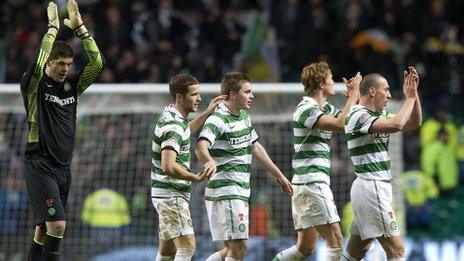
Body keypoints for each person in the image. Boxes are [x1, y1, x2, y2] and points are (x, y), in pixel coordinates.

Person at [20, 1, 104, 260]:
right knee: (58, 225)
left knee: (44, 232)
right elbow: (35, 66)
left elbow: (97, 63)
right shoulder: (34, 87)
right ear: (48, 63)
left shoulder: (72, 87)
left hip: (63, 168)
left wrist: (80, 28)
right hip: (40, 163)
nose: (65, 69)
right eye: (60, 64)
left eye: (68, 64)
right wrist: (53, 29)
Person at [195, 72, 293, 261]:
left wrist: (278, 175)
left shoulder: (243, 117)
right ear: (232, 95)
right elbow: (200, 145)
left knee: (232, 248)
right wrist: (208, 160)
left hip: (239, 191)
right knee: (239, 246)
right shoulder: (218, 119)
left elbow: (255, 146)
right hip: (226, 190)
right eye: (247, 92)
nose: (252, 96)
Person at [273, 61, 361, 261]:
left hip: (307, 184)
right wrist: (353, 95)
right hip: (312, 182)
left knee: (304, 248)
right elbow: (341, 125)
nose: (334, 82)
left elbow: (351, 121)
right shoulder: (306, 108)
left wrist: (352, 101)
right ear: (321, 83)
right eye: (330, 78)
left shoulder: (326, 107)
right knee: (336, 241)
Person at [342, 67, 422, 261]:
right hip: (372, 186)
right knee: (397, 251)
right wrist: (408, 98)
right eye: (386, 90)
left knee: (356, 252)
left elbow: (414, 123)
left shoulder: (378, 116)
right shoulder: (357, 115)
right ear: (372, 92)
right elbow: (397, 125)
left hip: (372, 188)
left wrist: (414, 95)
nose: (389, 95)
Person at [151, 73, 225, 261]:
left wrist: (207, 112)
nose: (199, 98)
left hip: (165, 193)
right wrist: (194, 177)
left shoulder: (173, 117)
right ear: (179, 96)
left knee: (168, 251)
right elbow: (168, 166)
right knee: (187, 246)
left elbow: (185, 132)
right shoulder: (173, 126)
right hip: (171, 194)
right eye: (194, 94)